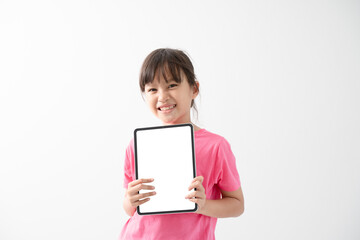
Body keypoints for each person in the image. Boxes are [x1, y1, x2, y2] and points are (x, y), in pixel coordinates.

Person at [120, 48, 244, 240]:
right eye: (152, 89)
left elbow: (237, 205)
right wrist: (130, 200)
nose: (162, 96)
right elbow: (130, 209)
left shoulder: (216, 146)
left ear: (194, 89)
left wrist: (203, 206)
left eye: (171, 85)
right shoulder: (136, 146)